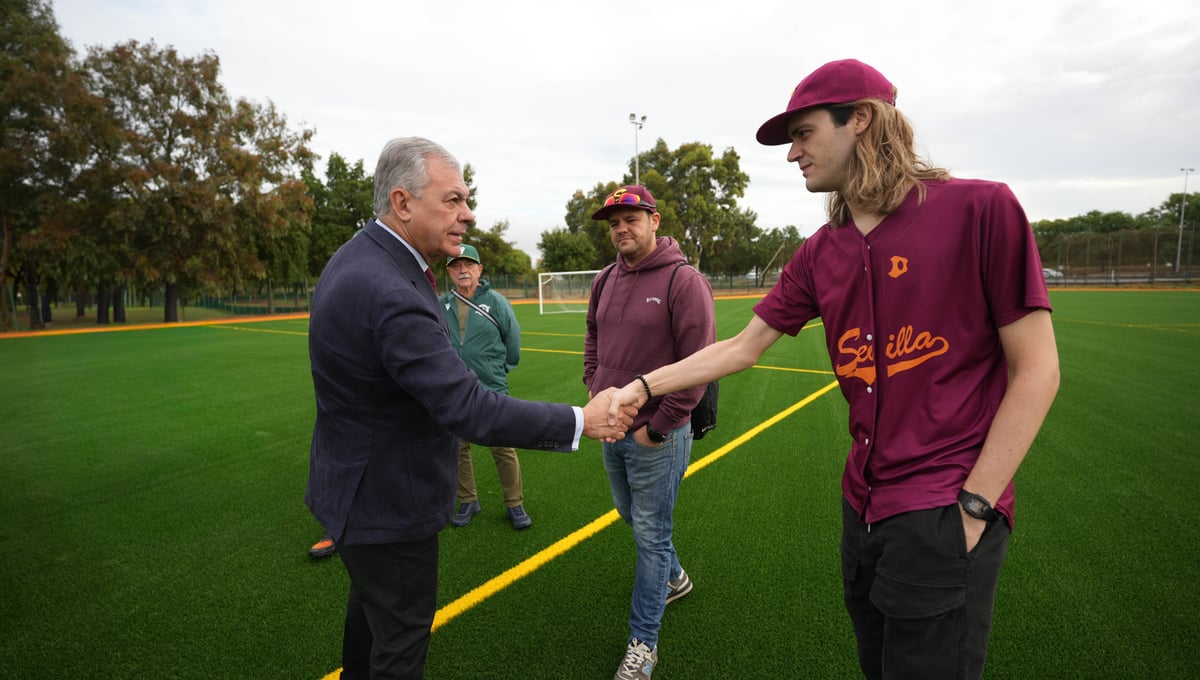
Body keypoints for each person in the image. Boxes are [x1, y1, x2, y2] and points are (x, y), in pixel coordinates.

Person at [605, 59, 1060, 680]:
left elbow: (1037, 369)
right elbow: (742, 347)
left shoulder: (982, 209)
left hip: (944, 504)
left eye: (803, 133)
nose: (793, 153)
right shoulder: (821, 251)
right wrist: (641, 387)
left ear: (861, 119)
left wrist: (976, 505)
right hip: (861, 506)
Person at [306, 136, 635, 680]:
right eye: (453, 199)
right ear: (402, 202)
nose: (468, 213)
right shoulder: (390, 287)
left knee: (369, 625)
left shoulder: (358, 256)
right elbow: (470, 409)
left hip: (354, 489)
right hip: (388, 505)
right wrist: (584, 419)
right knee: (399, 642)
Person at [584, 185, 716, 680]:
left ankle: (644, 645)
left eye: (631, 219)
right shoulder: (604, 279)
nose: (621, 228)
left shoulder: (684, 281)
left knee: (651, 536)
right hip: (613, 428)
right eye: (614, 222)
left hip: (658, 437)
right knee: (631, 516)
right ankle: (675, 578)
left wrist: (657, 429)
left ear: (654, 221)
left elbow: (700, 366)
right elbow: (593, 337)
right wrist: (595, 388)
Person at [440, 244, 531, 530]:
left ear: (479, 269)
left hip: (491, 387)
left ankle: (514, 503)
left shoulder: (496, 302)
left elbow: (513, 341)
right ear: (449, 272)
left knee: (502, 447)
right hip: (454, 388)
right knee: (458, 448)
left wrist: (498, 370)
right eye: (456, 266)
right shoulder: (440, 304)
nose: (462, 270)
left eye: (468, 265)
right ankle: (468, 500)